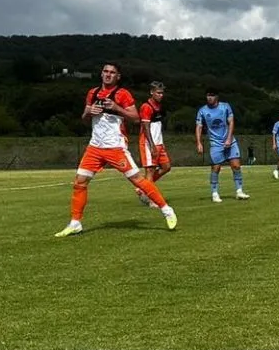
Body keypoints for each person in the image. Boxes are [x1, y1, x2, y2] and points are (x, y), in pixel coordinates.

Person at [55, 63, 177, 236]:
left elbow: (136, 118)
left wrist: (117, 108)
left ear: (118, 76)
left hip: (115, 146)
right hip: (95, 147)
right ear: (101, 73)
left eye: (112, 72)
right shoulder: (93, 93)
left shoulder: (122, 94)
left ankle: (166, 210)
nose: (108, 75)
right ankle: (75, 223)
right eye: (105, 71)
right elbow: (83, 119)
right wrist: (88, 112)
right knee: (79, 182)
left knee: (137, 179)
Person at [195, 89, 249, 202]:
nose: (209, 97)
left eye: (212, 95)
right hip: (215, 143)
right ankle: (214, 193)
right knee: (216, 168)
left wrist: (229, 138)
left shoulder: (225, 107)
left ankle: (239, 191)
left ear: (217, 97)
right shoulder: (202, 111)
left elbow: (231, 122)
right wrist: (199, 142)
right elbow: (199, 126)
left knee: (236, 166)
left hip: (230, 141)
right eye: (208, 95)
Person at [136, 81, 171, 207]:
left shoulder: (159, 106)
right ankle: (151, 199)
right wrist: (151, 145)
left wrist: (160, 142)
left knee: (166, 167)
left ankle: (142, 188)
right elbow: (145, 127)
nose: (161, 95)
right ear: (151, 92)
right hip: (149, 143)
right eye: (158, 92)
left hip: (159, 142)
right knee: (150, 171)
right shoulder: (146, 107)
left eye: (162, 93)